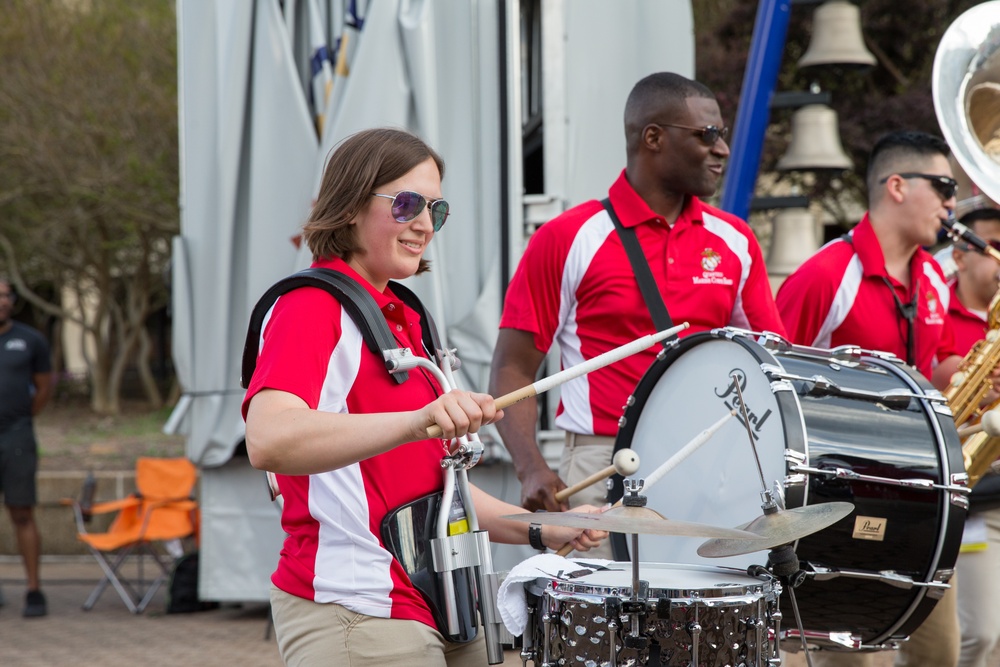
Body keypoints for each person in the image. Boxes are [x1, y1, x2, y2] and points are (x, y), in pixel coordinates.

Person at [242, 128, 605, 667]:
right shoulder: (313, 308)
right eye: (407, 204)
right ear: (349, 206)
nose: (423, 225)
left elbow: (434, 492)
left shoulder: (406, 318)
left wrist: (546, 529)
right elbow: (269, 440)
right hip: (359, 607)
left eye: (436, 209)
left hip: (442, 599)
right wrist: (418, 419)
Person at [489, 72, 786, 557]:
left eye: (723, 135)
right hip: (602, 461)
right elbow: (512, 368)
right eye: (707, 135)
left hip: (710, 462)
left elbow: (771, 362)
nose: (722, 150)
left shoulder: (736, 239)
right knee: (603, 631)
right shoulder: (569, 237)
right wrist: (531, 467)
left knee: (706, 630)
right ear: (653, 138)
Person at [775, 130, 964, 667]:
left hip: (918, 492)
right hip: (839, 489)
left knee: (939, 653)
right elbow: (770, 374)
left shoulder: (934, 278)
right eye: (945, 186)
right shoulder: (826, 274)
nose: (953, 203)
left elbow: (939, 367)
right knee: (844, 654)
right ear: (898, 186)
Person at [946, 207, 1000, 667]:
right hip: (972, 496)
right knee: (977, 636)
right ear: (960, 257)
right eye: (995, 246)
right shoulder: (933, 311)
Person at [0, 277, 54, 618]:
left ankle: (34, 590)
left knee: (22, 513)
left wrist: (19, 419)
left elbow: (44, 389)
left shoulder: (30, 340)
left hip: (16, 436)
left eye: (5, 295)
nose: (2, 301)